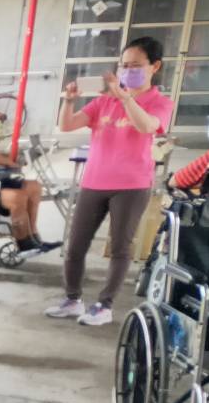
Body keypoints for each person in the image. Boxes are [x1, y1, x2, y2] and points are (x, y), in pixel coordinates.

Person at [47, 37, 173, 327]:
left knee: (120, 247)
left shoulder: (160, 102)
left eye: (136, 66)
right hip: (94, 180)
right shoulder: (103, 100)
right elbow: (67, 125)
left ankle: (104, 305)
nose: (128, 71)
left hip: (131, 185)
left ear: (155, 66)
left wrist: (126, 98)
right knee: (75, 245)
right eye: (124, 65)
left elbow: (147, 126)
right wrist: (68, 101)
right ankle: (72, 299)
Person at [0, 133, 60, 255]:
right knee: (16, 197)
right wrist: (7, 161)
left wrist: (7, 158)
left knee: (34, 187)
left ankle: (34, 238)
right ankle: (24, 244)